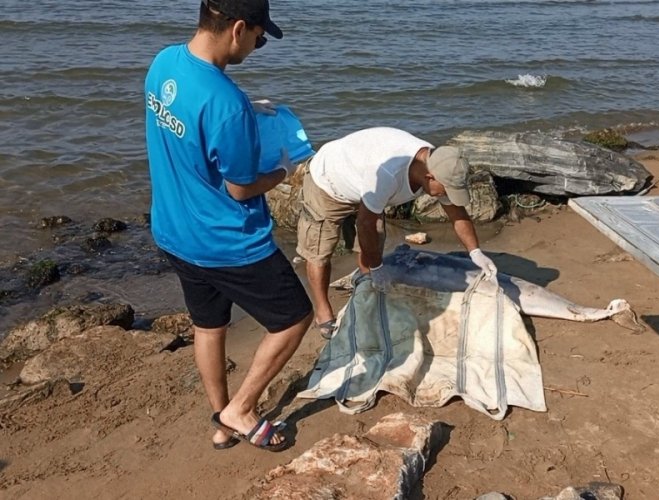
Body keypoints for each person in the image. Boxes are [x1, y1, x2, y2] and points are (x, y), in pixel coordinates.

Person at [144, 0, 312, 452]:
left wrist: (245, 117)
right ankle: (242, 407)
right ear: (238, 28)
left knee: (209, 325)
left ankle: (221, 422)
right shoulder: (226, 102)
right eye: (259, 36)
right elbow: (241, 189)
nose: (259, 45)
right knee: (295, 317)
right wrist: (285, 170)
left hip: (174, 231)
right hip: (228, 242)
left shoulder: (163, 63)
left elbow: (192, 131)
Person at [296, 127, 498, 339]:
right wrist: (377, 266)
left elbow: (457, 212)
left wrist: (475, 252)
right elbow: (366, 224)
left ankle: (366, 288)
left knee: (373, 243)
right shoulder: (388, 174)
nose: (447, 196)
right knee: (320, 250)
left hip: (363, 184)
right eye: (446, 190)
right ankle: (322, 311)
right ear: (430, 176)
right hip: (329, 183)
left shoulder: (440, 164)